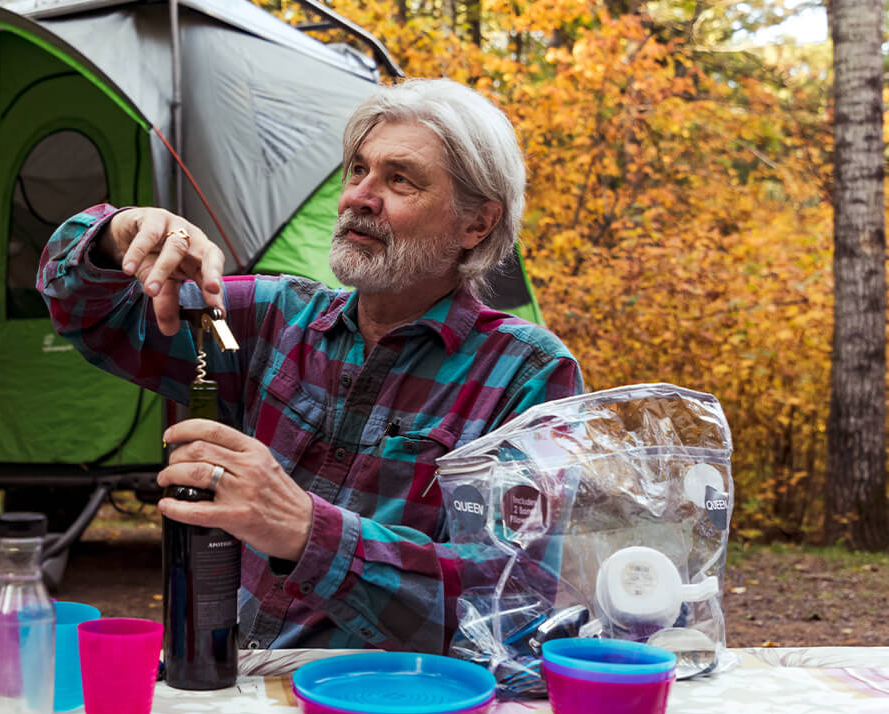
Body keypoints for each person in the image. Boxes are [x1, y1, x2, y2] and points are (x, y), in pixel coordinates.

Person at [37, 78, 584, 653]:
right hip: (229, 684)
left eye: (399, 179)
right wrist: (116, 233)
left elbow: (512, 601)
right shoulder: (268, 317)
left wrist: (306, 531)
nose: (359, 197)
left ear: (477, 224)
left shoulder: (527, 373)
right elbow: (89, 316)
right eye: (356, 171)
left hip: (385, 699)